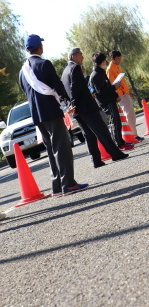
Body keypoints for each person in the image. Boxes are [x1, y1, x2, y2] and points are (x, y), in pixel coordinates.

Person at [19, 34, 88, 197]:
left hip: (37, 116)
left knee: (51, 150)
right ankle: (68, 184)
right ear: (40, 47)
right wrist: (66, 99)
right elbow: (58, 86)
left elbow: (26, 91)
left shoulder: (22, 72)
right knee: (62, 147)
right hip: (51, 111)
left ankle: (56, 186)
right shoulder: (44, 64)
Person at [62, 48, 130, 167]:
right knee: (102, 130)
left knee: (89, 135)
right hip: (86, 108)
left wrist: (70, 105)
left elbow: (65, 91)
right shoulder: (75, 68)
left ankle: (96, 160)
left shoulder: (64, 72)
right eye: (80, 54)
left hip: (77, 110)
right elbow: (75, 88)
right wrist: (74, 104)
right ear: (73, 57)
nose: (82, 57)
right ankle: (115, 153)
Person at [90, 52, 133, 152]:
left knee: (117, 121)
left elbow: (107, 86)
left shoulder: (101, 72)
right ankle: (119, 144)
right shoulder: (96, 75)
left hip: (110, 99)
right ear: (103, 61)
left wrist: (115, 95)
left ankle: (121, 142)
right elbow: (100, 91)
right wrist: (114, 87)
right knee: (114, 122)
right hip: (106, 102)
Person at [106, 50, 144, 143]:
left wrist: (128, 92)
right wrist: (120, 94)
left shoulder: (116, 67)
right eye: (117, 58)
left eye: (120, 58)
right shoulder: (110, 69)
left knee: (131, 115)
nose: (119, 60)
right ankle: (133, 136)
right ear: (112, 59)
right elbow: (112, 84)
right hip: (121, 95)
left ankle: (133, 135)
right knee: (129, 115)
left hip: (124, 93)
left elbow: (122, 82)